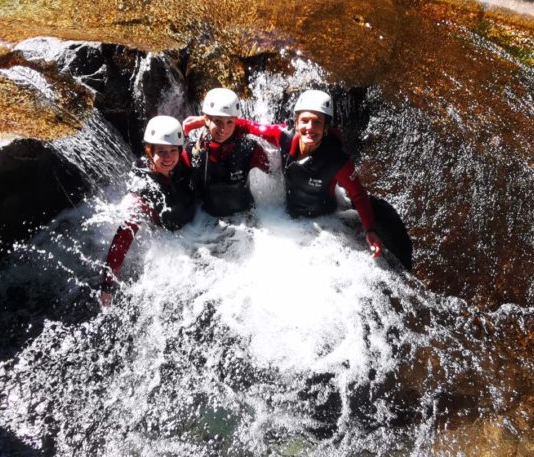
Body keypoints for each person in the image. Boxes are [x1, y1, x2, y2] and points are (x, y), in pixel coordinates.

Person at [208, 89, 384, 257]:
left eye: (317, 122)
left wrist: (370, 229)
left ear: (325, 128)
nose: (310, 127)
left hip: (326, 225)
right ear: (296, 122)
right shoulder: (283, 136)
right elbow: (247, 126)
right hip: (288, 221)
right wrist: (206, 120)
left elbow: (358, 194)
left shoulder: (337, 160)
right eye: (305, 121)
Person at [101, 115, 195, 304]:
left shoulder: (185, 159)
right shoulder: (142, 190)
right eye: (161, 151)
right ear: (149, 151)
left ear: (179, 149)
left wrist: (202, 120)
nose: (168, 157)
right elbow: (124, 237)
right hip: (173, 238)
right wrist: (107, 284)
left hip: (198, 225)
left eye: (172, 151)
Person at [183, 87, 270, 217]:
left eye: (230, 122)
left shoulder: (250, 148)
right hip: (206, 223)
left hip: (245, 221)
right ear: (206, 120)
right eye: (218, 121)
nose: (223, 129)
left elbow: (275, 170)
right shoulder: (192, 151)